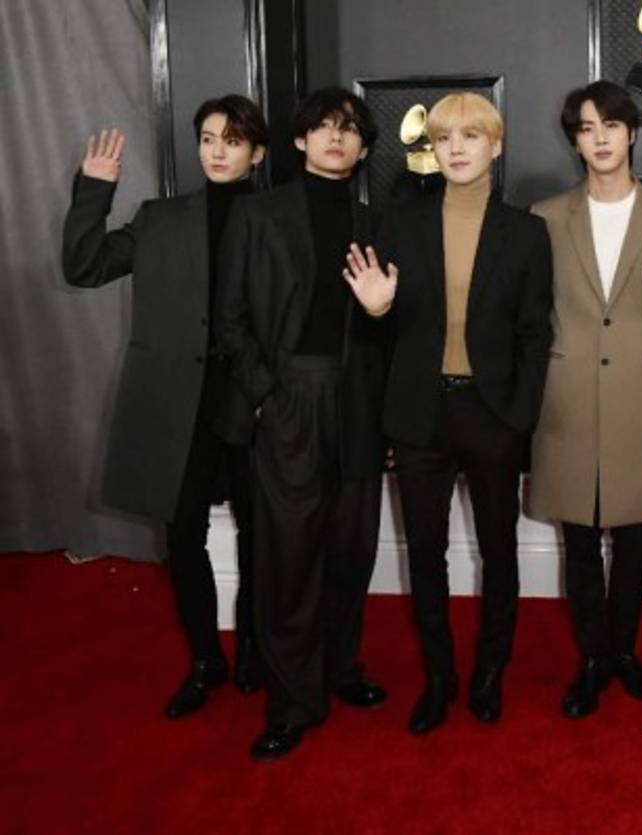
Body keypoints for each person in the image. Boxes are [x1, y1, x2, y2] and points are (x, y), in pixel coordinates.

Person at [343, 92, 553, 735]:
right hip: (419, 416)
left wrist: (518, 417)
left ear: (496, 144)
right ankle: (440, 679)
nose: (456, 147)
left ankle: (490, 674)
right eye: (444, 138)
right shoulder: (399, 223)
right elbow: (376, 333)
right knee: (426, 553)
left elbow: (534, 335)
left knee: (499, 551)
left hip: (492, 415)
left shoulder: (526, 231)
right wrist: (375, 310)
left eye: (471, 135)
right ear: (432, 148)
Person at [62, 95, 268, 720]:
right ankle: (206, 660)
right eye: (208, 138)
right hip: (179, 409)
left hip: (255, 405)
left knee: (263, 539)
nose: (217, 150)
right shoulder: (159, 219)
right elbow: (85, 266)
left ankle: (257, 651)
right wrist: (94, 192)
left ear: (256, 153)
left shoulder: (278, 218)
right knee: (183, 537)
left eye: (232, 140)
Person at [215, 88, 390, 760]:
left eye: (349, 131)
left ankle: (341, 669)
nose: (336, 139)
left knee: (351, 547)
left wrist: (380, 315)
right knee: (289, 556)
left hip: (358, 404)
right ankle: (292, 699)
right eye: (322, 128)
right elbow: (230, 318)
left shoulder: (378, 222)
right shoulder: (259, 216)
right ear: (299, 140)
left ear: (365, 147)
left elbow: (393, 324)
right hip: (288, 395)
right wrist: (265, 395)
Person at [529, 80, 642, 719]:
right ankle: (592, 660)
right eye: (586, 128)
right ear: (575, 140)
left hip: (640, 397)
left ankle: (624, 653)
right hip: (565, 395)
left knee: (633, 540)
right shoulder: (545, 218)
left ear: (631, 134)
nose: (599, 138)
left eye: (610, 126)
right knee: (578, 539)